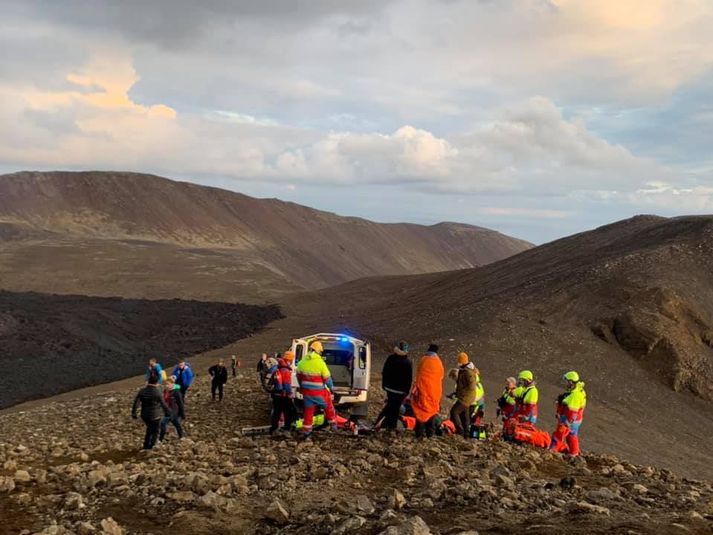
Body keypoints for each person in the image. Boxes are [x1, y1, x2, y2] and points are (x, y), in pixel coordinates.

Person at [296, 341, 337, 438]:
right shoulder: (320, 363)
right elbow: (327, 379)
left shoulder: (302, 362)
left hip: (307, 393)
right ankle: (333, 425)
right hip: (319, 393)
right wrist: (332, 389)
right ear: (319, 351)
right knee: (329, 407)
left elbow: (299, 377)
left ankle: (306, 430)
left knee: (308, 411)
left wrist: (302, 388)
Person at [375, 340, 413, 430]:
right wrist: (406, 391)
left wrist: (384, 385)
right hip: (400, 390)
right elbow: (408, 378)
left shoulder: (391, 358)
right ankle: (391, 426)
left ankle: (380, 423)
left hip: (389, 388)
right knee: (395, 409)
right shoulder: (408, 362)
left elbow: (385, 372)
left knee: (390, 405)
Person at [411, 344, 445, 438]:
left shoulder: (424, 360)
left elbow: (419, 374)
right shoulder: (439, 363)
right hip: (434, 391)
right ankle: (430, 433)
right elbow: (441, 376)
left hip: (423, 390)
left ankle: (419, 433)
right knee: (432, 412)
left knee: (420, 410)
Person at [550, 371, 587, 456]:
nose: (566, 384)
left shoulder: (575, 396)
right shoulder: (579, 390)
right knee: (572, 435)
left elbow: (572, 411)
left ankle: (552, 451)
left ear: (571, 382)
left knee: (559, 435)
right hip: (576, 420)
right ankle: (574, 453)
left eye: (567, 382)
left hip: (570, 420)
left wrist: (566, 423)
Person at [131, 375, 170, 450]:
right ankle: (151, 446)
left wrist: (134, 413)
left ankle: (146, 445)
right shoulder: (157, 392)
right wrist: (168, 412)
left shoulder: (142, 391)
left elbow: (136, 403)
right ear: (156, 383)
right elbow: (163, 404)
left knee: (149, 429)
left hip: (145, 415)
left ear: (148, 382)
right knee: (155, 431)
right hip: (155, 415)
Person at [448, 352, 479, 437]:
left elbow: (471, 386)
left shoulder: (467, 372)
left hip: (466, 397)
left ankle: (460, 430)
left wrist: (462, 393)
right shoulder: (465, 370)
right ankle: (466, 433)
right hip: (467, 397)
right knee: (465, 415)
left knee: (454, 412)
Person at [270, 351, 297, 434]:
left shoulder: (278, 366)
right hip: (283, 395)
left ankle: (274, 428)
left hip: (275, 393)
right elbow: (287, 384)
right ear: (290, 360)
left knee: (277, 411)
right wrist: (290, 394)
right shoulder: (285, 370)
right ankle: (286, 428)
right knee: (290, 411)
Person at [159, 376, 185, 442]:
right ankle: (181, 436)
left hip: (173, 412)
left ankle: (160, 439)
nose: (166, 386)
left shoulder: (176, 392)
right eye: (165, 384)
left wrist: (182, 414)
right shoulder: (165, 391)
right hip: (167, 411)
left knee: (163, 423)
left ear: (172, 384)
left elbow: (180, 403)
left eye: (168, 384)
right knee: (177, 424)